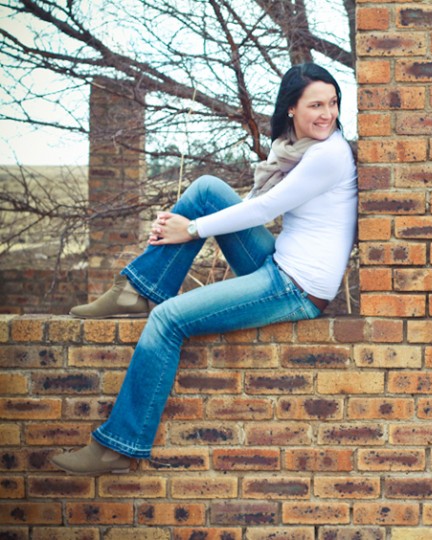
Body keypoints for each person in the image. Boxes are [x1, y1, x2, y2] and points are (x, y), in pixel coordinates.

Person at [52, 63, 357, 475]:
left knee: (167, 320)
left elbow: (265, 209)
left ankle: (119, 447)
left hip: (296, 287)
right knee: (207, 189)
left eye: (333, 103)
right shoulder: (295, 147)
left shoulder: (328, 154)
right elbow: (252, 204)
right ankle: (138, 289)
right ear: (291, 108)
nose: (328, 114)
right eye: (316, 105)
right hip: (279, 261)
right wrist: (190, 223)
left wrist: (191, 229)